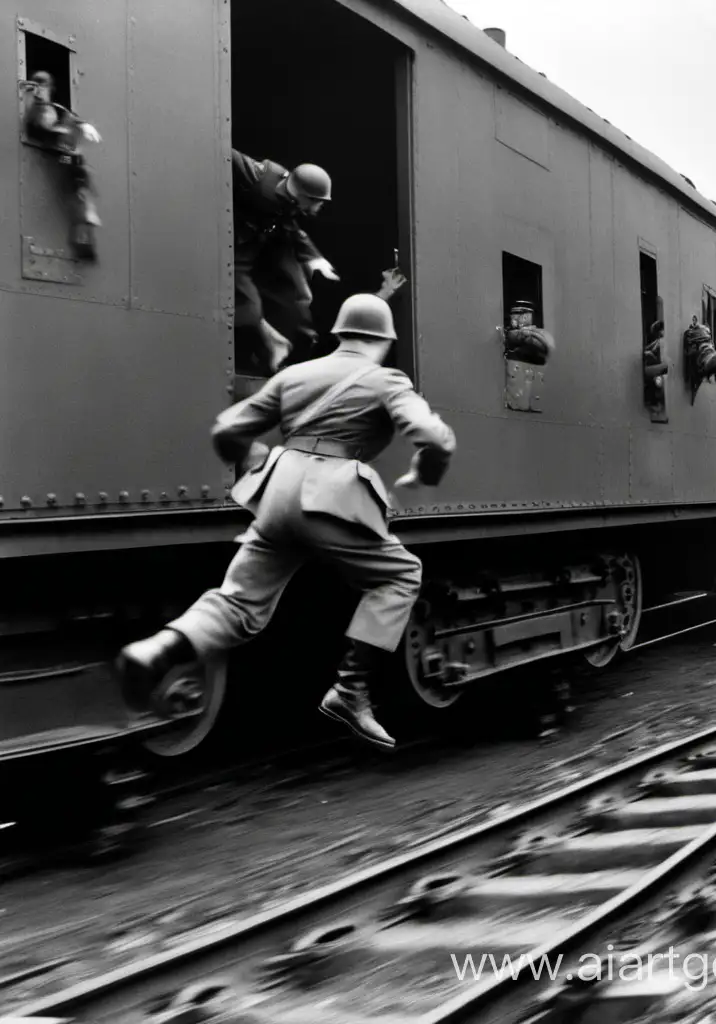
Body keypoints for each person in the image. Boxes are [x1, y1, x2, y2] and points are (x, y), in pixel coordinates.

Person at [115, 293, 456, 751]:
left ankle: (156, 650)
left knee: (238, 602)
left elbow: (226, 431)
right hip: (335, 498)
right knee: (401, 575)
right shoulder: (387, 380)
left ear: (339, 334)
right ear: (383, 341)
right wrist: (424, 473)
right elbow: (433, 438)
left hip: (276, 496)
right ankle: (350, 691)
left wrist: (258, 464)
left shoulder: (294, 374)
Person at [231, 150, 343, 375]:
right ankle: (271, 345)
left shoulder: (292, 202)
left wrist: (313, 258)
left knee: (301, 294)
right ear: (304, 196)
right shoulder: (259, 177)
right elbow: (226, 153)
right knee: (248, 309)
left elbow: (292, 229)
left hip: (271, 242)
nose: (318, 209)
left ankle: (298, 348)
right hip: (242, 244)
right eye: (317, 203)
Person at [22, 70, 102, 260]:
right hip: (57, 154)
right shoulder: (34, 110)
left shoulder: (55, 108)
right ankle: (86, 210)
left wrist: (84, 125)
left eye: (43, 85)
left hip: (65, 157)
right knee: (73, 162)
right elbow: (38, 129)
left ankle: (86, 209)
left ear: (50, 88)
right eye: (36, 85)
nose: (39, 90)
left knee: (76, 163)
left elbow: (69, 116)